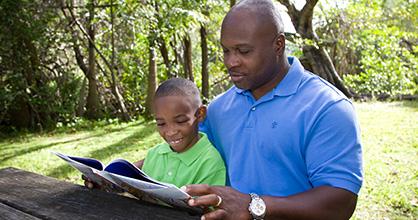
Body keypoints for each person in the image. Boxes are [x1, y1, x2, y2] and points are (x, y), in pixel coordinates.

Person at [182, 0, 363, 219]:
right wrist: (132, 173)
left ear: (278, 45)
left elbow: (341, 203)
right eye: (226, 51)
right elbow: (184, 150)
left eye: (243, 51)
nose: (231, 62)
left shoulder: (326, 108)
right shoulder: (219, 109)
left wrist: (254, 205)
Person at [85, 78, 226, 189]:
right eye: (161, 124)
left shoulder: (211, 162)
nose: (170, 132)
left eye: (180, 121)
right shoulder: (155, 154)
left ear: (200, 114)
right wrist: (104, 183)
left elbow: (207, 211)